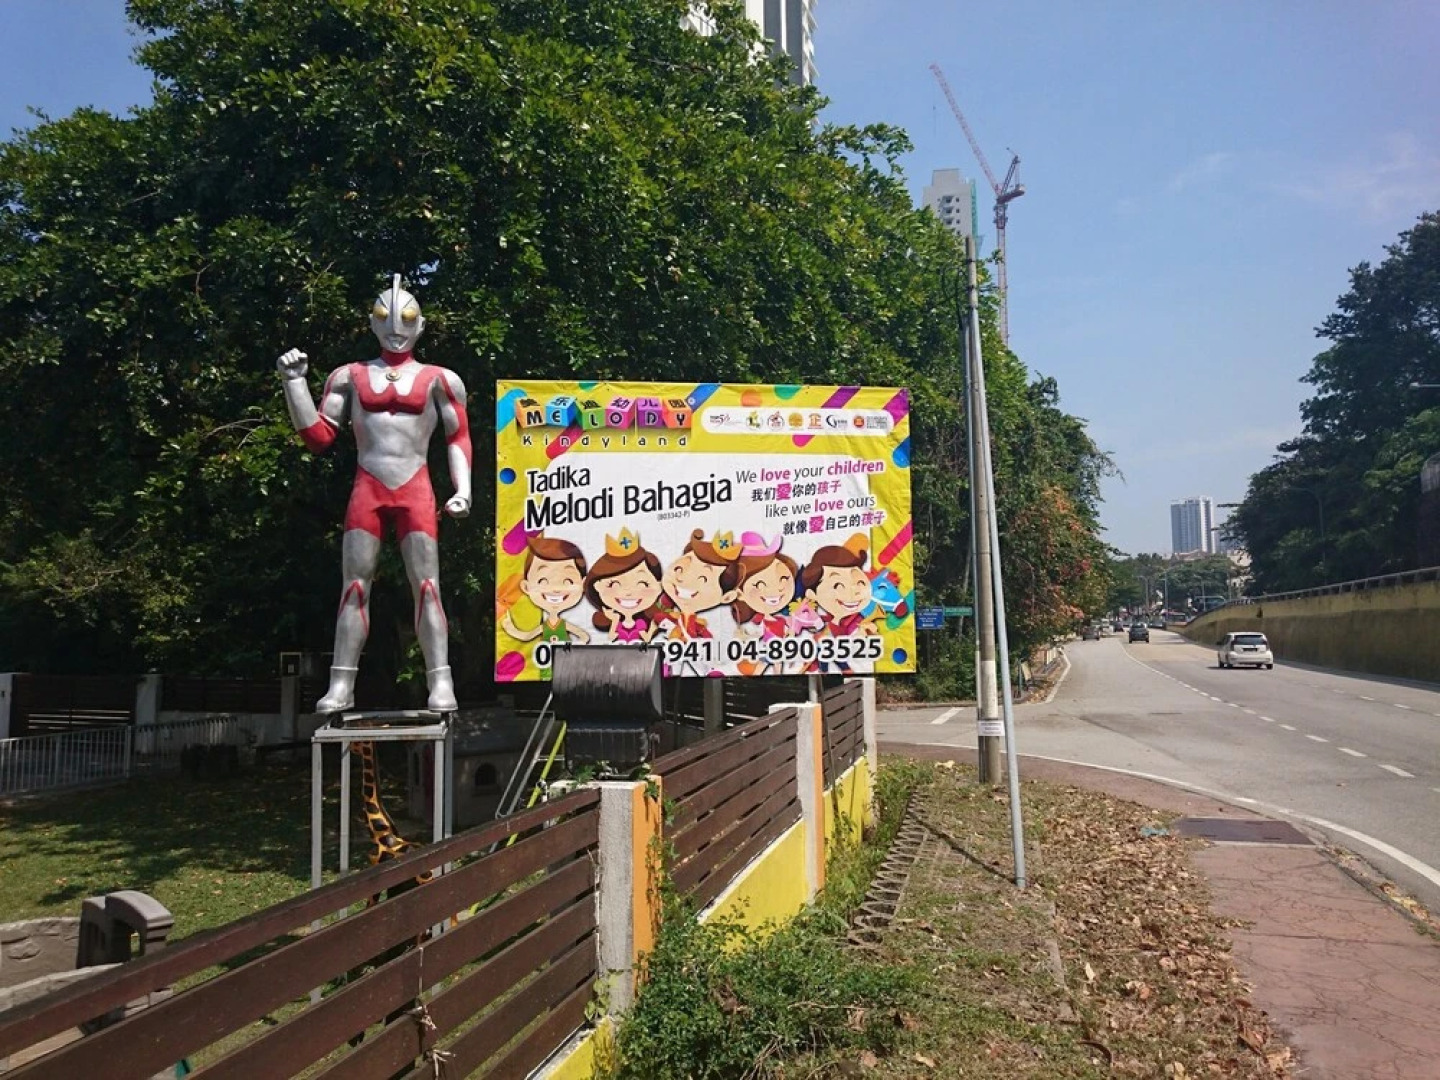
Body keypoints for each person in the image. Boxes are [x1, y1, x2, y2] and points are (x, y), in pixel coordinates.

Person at [277, 275, 471, 713]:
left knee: (427, 587)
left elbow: (458, 437)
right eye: (386, 318)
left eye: (407, 319)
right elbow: (318, 436)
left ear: (421, 325)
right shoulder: (349, 376)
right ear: (372, 323)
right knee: (354, 587)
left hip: (415, 488)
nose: (396, 328)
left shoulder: (440, 379)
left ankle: (441, 680)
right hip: (369, 488)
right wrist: (294, 384)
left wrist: (463, 490)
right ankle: (341, 684)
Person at [501, 533, 591, 666]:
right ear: (526, 587)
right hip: (546, 665)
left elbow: (584, 636)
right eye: (542, 581)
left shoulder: (563, 625)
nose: (556, 590)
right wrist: (510, 628)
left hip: (566, 665)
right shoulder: (545, 627)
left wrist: (573, 647)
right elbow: (527, 636)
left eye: (568, 581)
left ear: (583, 585)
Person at [583, 528, 665, 643]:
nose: (628, 593)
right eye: (614, 584)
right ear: (597, 586)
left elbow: (646, 639)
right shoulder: (618, 623)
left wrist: (653, 627)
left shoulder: (640, 623)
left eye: (642, 584)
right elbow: (611, 637)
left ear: (659, 587)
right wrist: (615, 620)